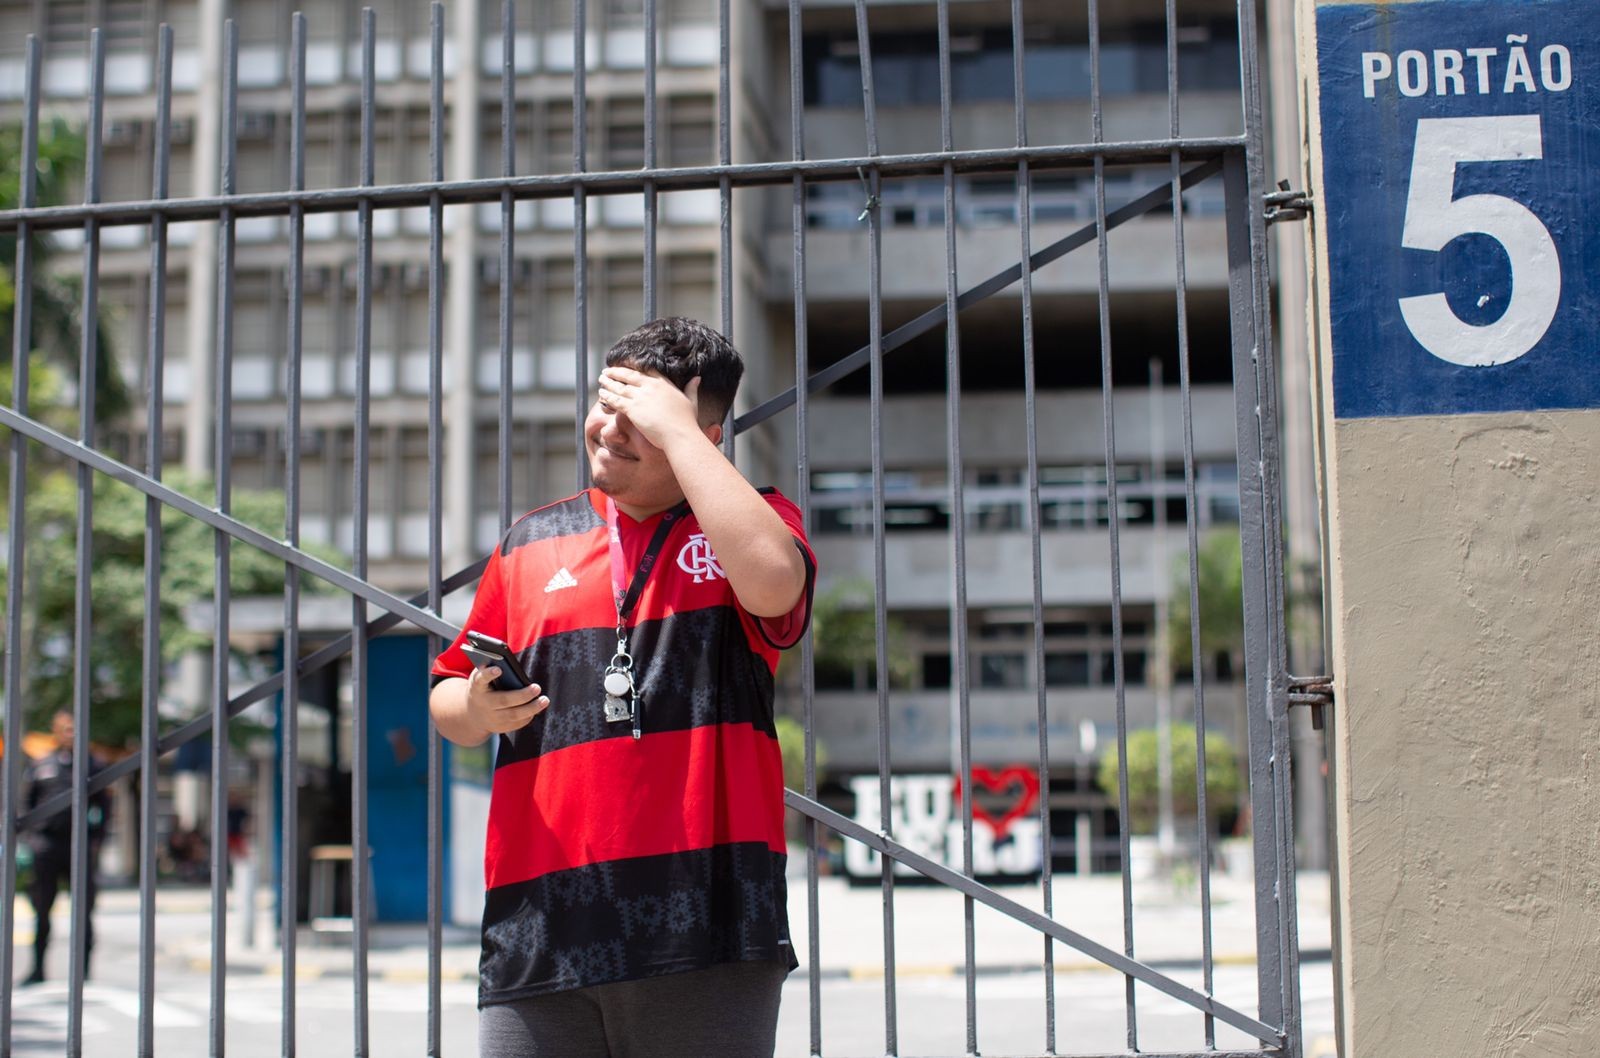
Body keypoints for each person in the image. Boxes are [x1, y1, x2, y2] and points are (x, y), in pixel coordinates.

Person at [429, 317, 815, 1058]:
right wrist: (475, 706)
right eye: (606, 404)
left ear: (700, 433)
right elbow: (447, 697)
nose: (609, 429)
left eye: (640, 417)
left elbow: (773, 585)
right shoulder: (529, 541)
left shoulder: (749, 525)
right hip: (539, 924)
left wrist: (678, 434)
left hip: (707, 924)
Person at [19, 709, 110, 986]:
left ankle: (82, 974)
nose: (70, 733)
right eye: (66, 728)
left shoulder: (93, 765)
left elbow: (105, 807)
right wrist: (31, 838)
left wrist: (97, 840)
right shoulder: (42, 764)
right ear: (56, 731)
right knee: (42, 911)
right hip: (47, 845)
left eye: (75, 728)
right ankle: (37, 970)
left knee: (83, 911)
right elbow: (27, 803)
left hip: (79, 845)